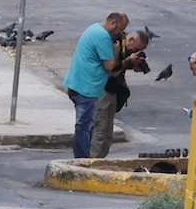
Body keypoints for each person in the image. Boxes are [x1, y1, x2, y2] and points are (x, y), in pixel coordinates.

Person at [64, 12, 129, 158]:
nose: (120, 33)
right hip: (87, 88)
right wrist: (117, 51)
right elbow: (109, 65)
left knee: (86, 124)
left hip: (77, 83)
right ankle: (82, 160)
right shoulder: (103, 37)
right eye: (120, 29)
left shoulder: (93, 28)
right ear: (113, 23)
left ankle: (83, 157)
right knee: (84, 126)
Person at [90, 30, 149, 158]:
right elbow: (112, 70)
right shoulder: (114, 44)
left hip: (112, 90)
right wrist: (128, 62)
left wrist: (134, 64)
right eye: (136, 49)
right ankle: (93, 162)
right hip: (102, 90)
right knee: (100, 130)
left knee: (107, 134)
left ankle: (100, 160)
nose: (134, 52)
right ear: (131, 39)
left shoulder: (125, 48)